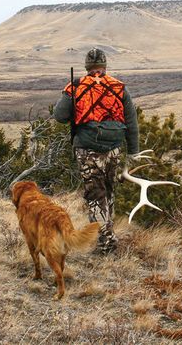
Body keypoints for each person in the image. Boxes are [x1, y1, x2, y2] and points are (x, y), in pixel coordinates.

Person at [53, 47, 140, 254]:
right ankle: (108, 234)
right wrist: (133, 151)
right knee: (108, 191)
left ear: (86, 66)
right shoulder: (119, 87)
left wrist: (73, 102)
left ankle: (106, 244)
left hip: (87, 148)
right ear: (105, 65)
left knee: (95, 195)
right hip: (114, 149)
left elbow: (59, 116)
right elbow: (131, 121)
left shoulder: (76, 86)